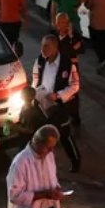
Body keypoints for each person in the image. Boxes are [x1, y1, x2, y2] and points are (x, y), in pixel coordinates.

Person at [7, 125, 69, 208]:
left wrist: (57, 189)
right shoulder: (20, 163)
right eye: (48, 147)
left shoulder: (49, 156)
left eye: (53, 147)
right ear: (37, 142)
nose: (51, 151)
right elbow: (15, 196)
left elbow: (52, 178)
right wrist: (45, 194)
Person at [32, 35, 81, 172]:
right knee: (41, 134)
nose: (43, 49)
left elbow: (75, 85)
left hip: (60, 106)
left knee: (64, 134)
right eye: (42, 45)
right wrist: (35, 93)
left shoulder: (67, 64)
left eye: (46, 46)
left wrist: (58, 96)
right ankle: (41, 164)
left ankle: (75, 160)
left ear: (55, 47)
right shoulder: (39, 61)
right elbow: (35, 80)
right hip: (43, 104)